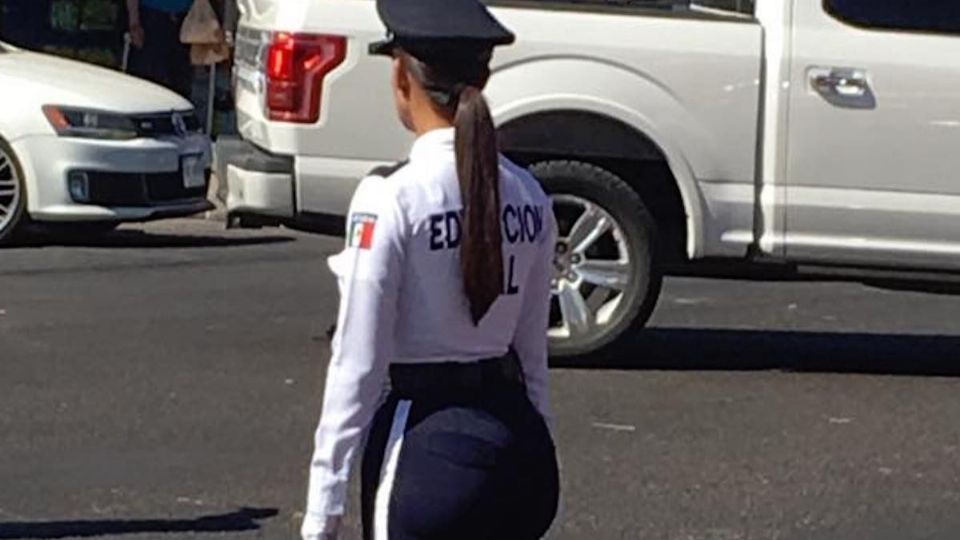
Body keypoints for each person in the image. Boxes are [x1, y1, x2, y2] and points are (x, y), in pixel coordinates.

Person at [300, 0, 561, 538]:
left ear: (401, 75)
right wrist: (538, 442)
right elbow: (532, 351)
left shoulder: (390, 196)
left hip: (427, 449)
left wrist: (322, 509)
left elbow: (358, 363)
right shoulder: (530, 194)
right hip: (519, 445)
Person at [125, 0, 193, 98]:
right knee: (147, 81)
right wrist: (134, 22)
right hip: (152, 17)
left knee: (181, 83)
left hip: (186, 19)